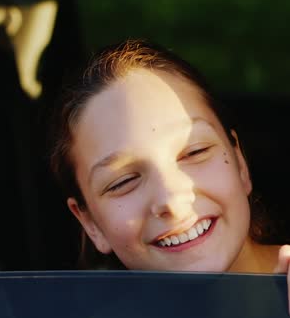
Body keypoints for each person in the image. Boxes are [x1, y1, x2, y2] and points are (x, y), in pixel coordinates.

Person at [50, 39, 290, 299]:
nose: (172, 202)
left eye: (194, 152)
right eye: (123, 181)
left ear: (239, 162)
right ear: (90, 223)